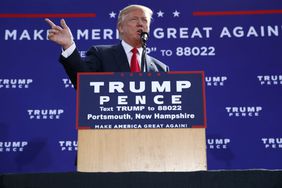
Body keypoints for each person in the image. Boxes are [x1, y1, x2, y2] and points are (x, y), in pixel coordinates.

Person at [45, 4, 169, 88]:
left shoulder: (161, 68)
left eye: (144, 20)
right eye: (134, 20)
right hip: (110, 125)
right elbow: (83, 83)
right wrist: (68, 45)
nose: (140, 24)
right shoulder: (101, 54)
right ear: (120, 27)